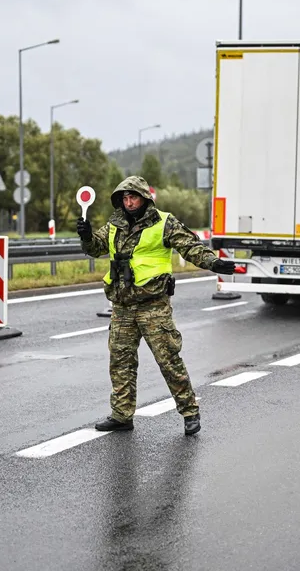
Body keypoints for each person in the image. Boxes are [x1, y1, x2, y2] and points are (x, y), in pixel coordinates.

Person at [76, 176, 236, 435]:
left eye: (133, 197)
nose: (129, 202)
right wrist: (86, 236)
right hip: (123, 306)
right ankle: (121, 415)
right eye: (124, 198)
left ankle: (189, 412)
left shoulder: (164, 222)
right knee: (121, 362)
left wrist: (213, 263)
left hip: (154, 306)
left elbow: (190, 246)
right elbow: (95, 248)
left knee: (168, 360)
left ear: (144, 198)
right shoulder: (114, 224)